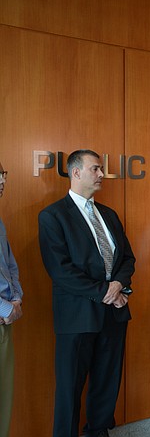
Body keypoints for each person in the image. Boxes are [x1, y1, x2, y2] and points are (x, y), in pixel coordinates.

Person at [38, 150, 136, 437]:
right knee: (70, 388)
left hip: (114, 313)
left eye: (101, 169)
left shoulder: (109, 214)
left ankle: (98, 431)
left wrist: (117, 286)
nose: (101, 174)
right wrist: (106, 291)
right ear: (76, 172)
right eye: (95, 169)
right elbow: (60, 270)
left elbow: (127, 259)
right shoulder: (53, 216)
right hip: (77, 317)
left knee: (107, 382)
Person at [0, 162, 23, 437]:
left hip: (6, 321)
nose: (2, 181)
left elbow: (10, 267)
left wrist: (16, 300)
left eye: (3, 174)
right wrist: (6, 307)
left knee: (4, 402)